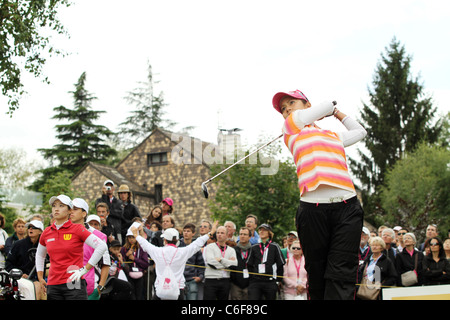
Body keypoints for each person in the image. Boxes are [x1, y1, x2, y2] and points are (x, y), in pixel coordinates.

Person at [272, 89, 367, 300]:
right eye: (283, 109)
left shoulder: (332, 136)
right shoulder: (291, 129)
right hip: (312, 210)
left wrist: (337, 113)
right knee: (317, 275)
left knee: (342, 273)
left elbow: (360, 132)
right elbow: (325, 105)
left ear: (307, 104)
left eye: (291, 103)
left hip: (347, 207)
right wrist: (327, 110)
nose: (287, 110)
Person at [35, 194, 108, 300]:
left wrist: (85, 269)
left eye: (61, 206)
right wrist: (40, 277)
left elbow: (101, 246)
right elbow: (40, 255)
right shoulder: (47, 232)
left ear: (69, 211)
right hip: (53, 284)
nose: (56, 209)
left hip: (74, 283)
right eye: (54, 205)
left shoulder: (77, 229)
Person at [130, 221, 218, 300]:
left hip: (161, 289)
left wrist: (136, 235)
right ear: (177, 241)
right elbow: (197, 243)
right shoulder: (182, 252)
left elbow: (145, 244)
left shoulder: (157, 251)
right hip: (178, 290)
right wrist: (210, 233)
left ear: (164, 240)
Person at [71, 198, 111, 300]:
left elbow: (105, 263)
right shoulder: (64, 232)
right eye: (70, 208)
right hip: (67, 285)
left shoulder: (99, 235)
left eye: (75, 209)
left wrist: (99, 288)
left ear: (84, 213)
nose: (71, 211)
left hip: (90, 286)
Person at [247, 224, 285, 300]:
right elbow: (249, 264)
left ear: (269, 233)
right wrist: (252, 278)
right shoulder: (254, 247)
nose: (261, 231)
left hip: (270, 282)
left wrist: (277, 281)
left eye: (264, 230)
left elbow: (280, 264)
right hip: (256, 282)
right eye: (260, 230)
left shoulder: (275, 246)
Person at [203, 226, 238, 300]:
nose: (219, 234)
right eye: (218, 232)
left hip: (225, 280)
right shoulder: (210, 247)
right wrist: (228, 263)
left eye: (222, 233)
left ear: (226, 235)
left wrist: (221, 260)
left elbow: (234, 265)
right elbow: (211, 262)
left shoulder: (231, 250)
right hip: (211, 279)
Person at [179, 223, 205, 300]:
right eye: (184, 231)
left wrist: (200, 277)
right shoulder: (177, 246)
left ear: (193, 233)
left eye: (188, 231)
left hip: (192, 280)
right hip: (179, 280)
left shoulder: (196, 248)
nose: (186, 233)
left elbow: (201, 265)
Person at [121, 228, 149, 300]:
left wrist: (134, 259)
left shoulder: (142, 248)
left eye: (133, 237)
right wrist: (126, 256)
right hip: (128, 274)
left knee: (139, 295)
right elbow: (122, 263)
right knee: (130, 295)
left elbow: (145, 264)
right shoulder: (124, 249)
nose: (131, 239)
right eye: (129, 237)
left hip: (139, 274)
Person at [96, 180, 124, 244]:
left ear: (113, 188)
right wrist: (104, 195)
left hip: (116, 229)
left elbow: (120, 214)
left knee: (117, 246)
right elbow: (100, 207)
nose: (108, 188)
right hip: (103, 228)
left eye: (110, 186)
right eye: (107, 186)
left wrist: (109, 211)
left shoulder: (118, 202)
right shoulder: (100, 200)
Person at [230, 227, 252, 300]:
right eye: (241, 234)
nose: (242, 236)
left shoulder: (253, 250)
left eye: (245, 234)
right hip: (235, 284)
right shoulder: (233, 250)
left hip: (249, 284)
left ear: (249, 237)